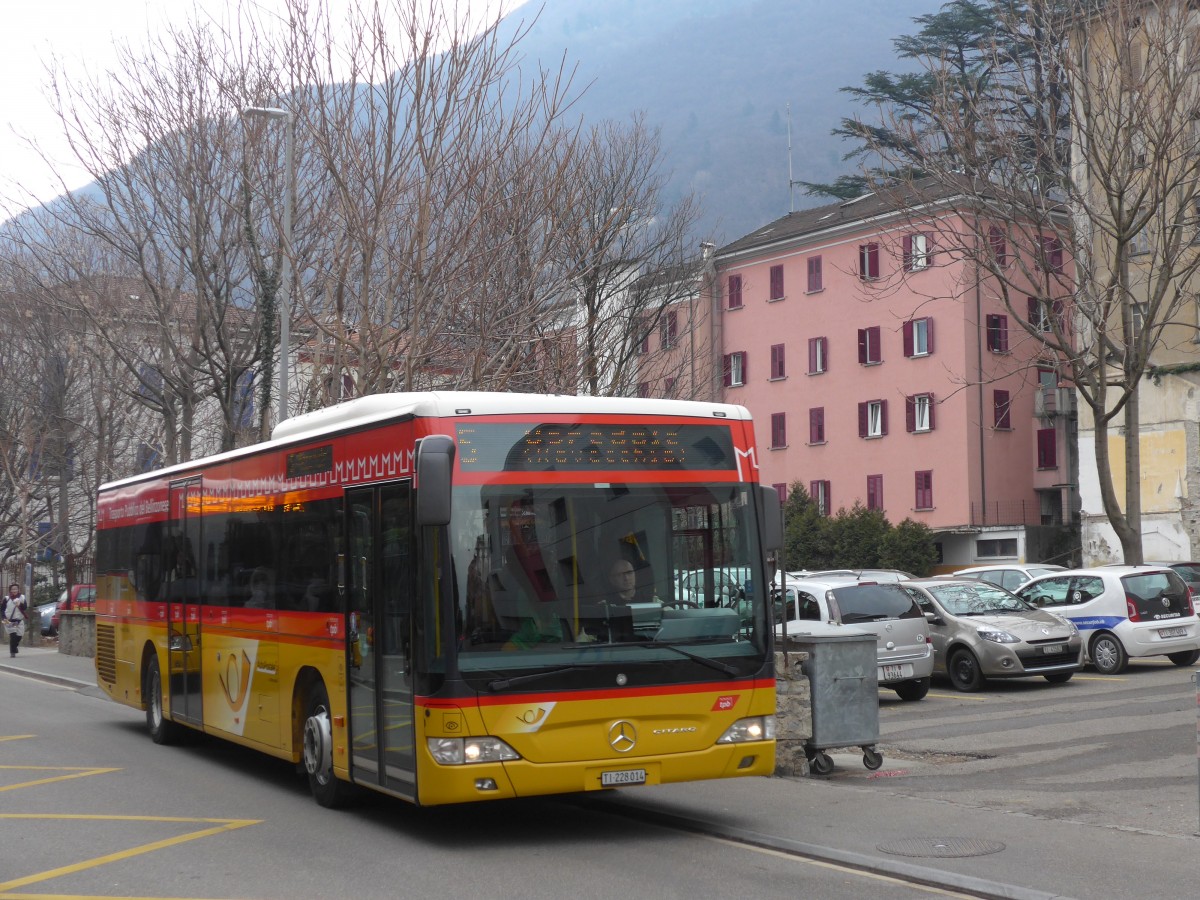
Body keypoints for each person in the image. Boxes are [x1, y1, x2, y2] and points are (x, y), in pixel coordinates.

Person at [4, 584, 29, 658]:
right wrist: (3, 618)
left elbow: (24, 608)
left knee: (20, 635)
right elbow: (2, 609)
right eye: (12, 589)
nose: (14, 590)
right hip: (8, 620)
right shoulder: (6, 598)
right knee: (13, 635)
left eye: (16, 589)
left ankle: (14, 647)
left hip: (19, 620)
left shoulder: (22, 597)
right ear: (10, 590)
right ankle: (12, 652)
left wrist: (19, 604)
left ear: (18, 590)